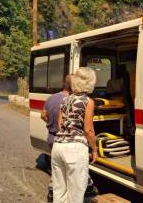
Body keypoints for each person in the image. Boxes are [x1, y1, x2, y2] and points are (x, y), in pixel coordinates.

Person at [52, 67, 98, 203]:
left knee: (59, 191)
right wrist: (94, 149)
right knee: (75, 195)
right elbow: (88, 130)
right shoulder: (88, 102)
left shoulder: (65, 99)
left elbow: (60, 124)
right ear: (90, 83)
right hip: (75, 149)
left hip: (58, 146)